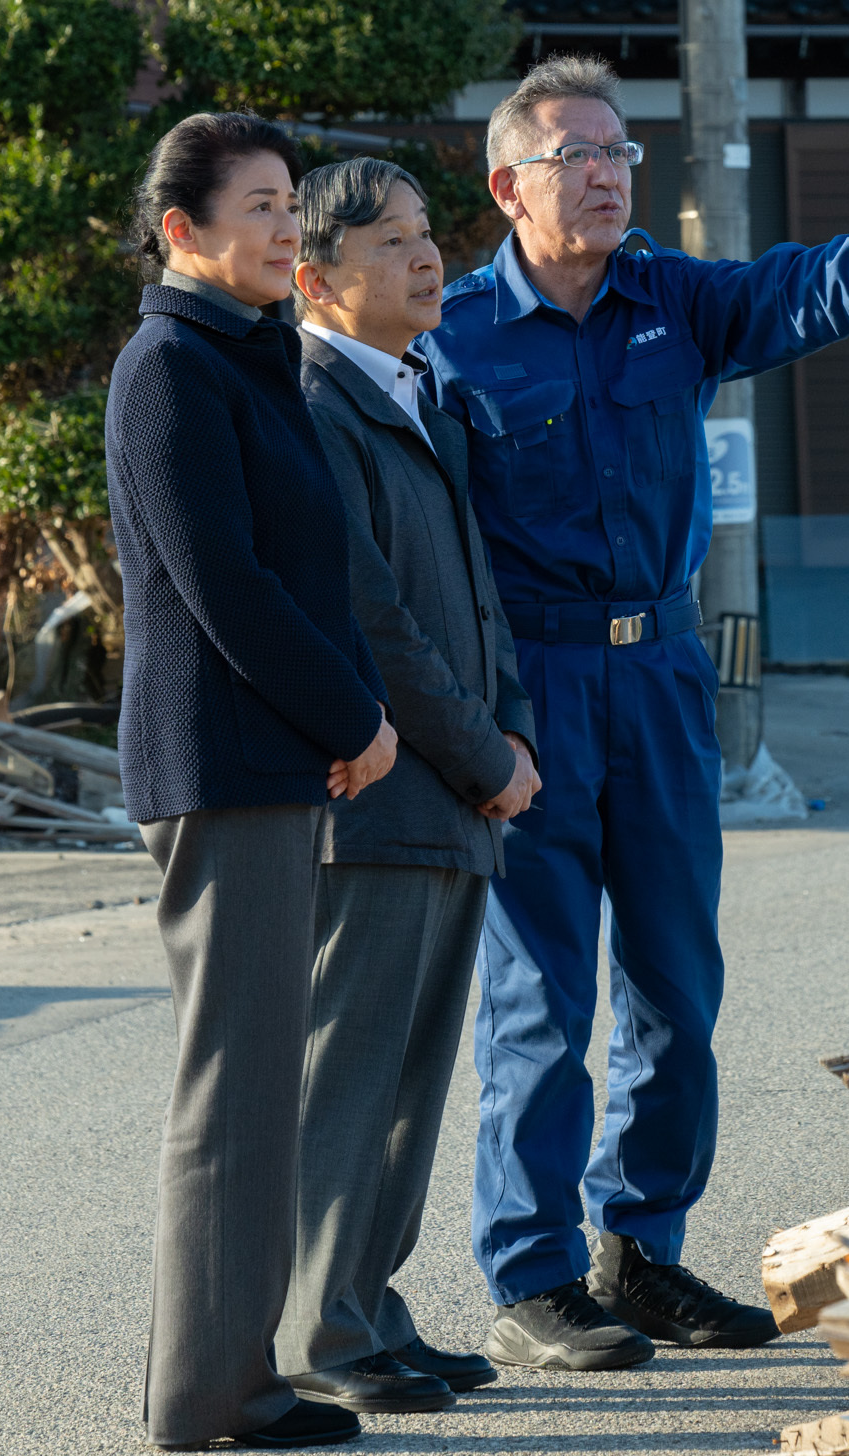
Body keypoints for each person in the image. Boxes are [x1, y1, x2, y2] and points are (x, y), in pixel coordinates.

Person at [424, 56, 849, 1369]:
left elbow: (793, 290)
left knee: (678, 989)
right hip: (534, 689)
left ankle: (641, 1251)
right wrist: (465, 719)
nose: (609, 171)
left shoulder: (672, 300)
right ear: (507, 183)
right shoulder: (452, 335)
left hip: (664, 676)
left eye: (621, 150)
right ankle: (533, 1274)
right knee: (540, 999)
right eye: (578, 153)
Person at [107, 113, 400, 1451]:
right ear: (184, 231)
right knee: (234, 1090)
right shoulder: (171, 367)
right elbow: (228, 586)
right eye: (263, 207)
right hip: (224, 761)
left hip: (270, 755)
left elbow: (309, 574)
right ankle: (209, 1402)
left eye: (293, 205)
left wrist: (345, 716)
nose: (290, 228)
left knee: (257, 1082)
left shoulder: (249, 357)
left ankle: (238, 1380)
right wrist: (356, 716)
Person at [279, 157, 545, 1415]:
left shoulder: (423, 391)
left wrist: (513, 735)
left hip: (449, 795)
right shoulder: (317, 401)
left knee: (412, 1079)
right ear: (315, 280)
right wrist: (488, 754)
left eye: (428, 234)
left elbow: (478, 601)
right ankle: (322, 1334)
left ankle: (371, 1307)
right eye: (389, 243)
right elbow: (372, 617)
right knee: (353, 1075)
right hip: (380, 796)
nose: (428, 256)